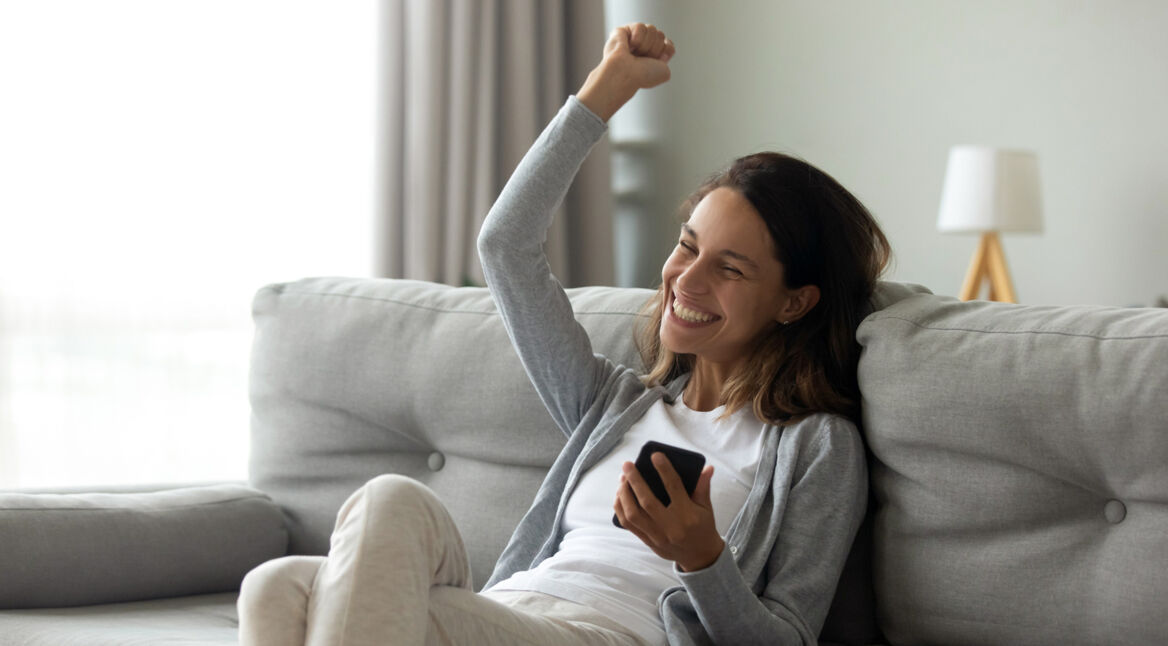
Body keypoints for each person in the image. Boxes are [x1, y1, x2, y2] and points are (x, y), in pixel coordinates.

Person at [237, 22, 891, 646]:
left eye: (730, 269)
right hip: (510, 611)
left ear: (794, 302)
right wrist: (607, 89)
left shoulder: (815, 446)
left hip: (609, 633)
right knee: (278, 585)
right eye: (687, 247)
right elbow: (505, 244)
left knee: (384, 507)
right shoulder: (612, 401)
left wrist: (701, 556)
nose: (685, 282)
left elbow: (787, 635)